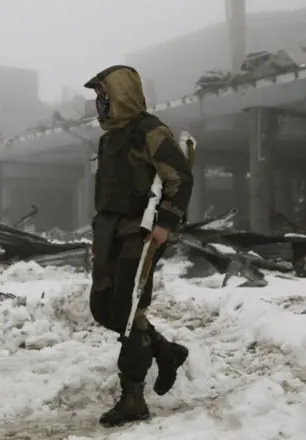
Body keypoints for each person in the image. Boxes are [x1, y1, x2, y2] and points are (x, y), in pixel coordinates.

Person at [84, 65, 194, 427]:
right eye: (98, 98)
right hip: (109, 231)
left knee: (129, 313)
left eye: (105, 96)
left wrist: (165, 224)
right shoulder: (108, 138)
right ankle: (167, 351)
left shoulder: (149, 130)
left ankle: (133, 398)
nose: (100, 104)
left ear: (120, 95)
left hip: (139, 233)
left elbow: (179, 176)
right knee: (103, 307)